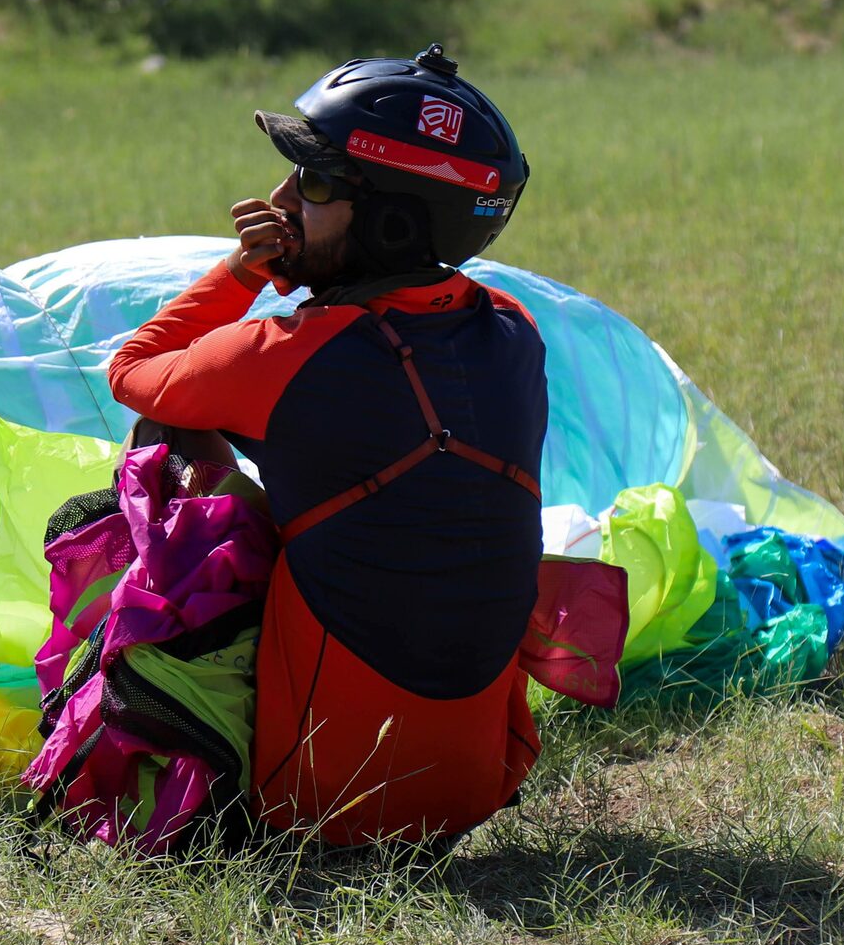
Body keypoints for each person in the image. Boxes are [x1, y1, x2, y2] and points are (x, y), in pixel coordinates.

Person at [107, 45, 548, 845]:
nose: (277, 200)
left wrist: (244, 274)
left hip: (317, 803)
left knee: (165, 430)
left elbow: (133, 370)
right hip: (475, 788)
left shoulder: (287, 352)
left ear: (388, 219)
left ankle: (151, 741)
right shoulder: (514, 330)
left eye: (311, 184)